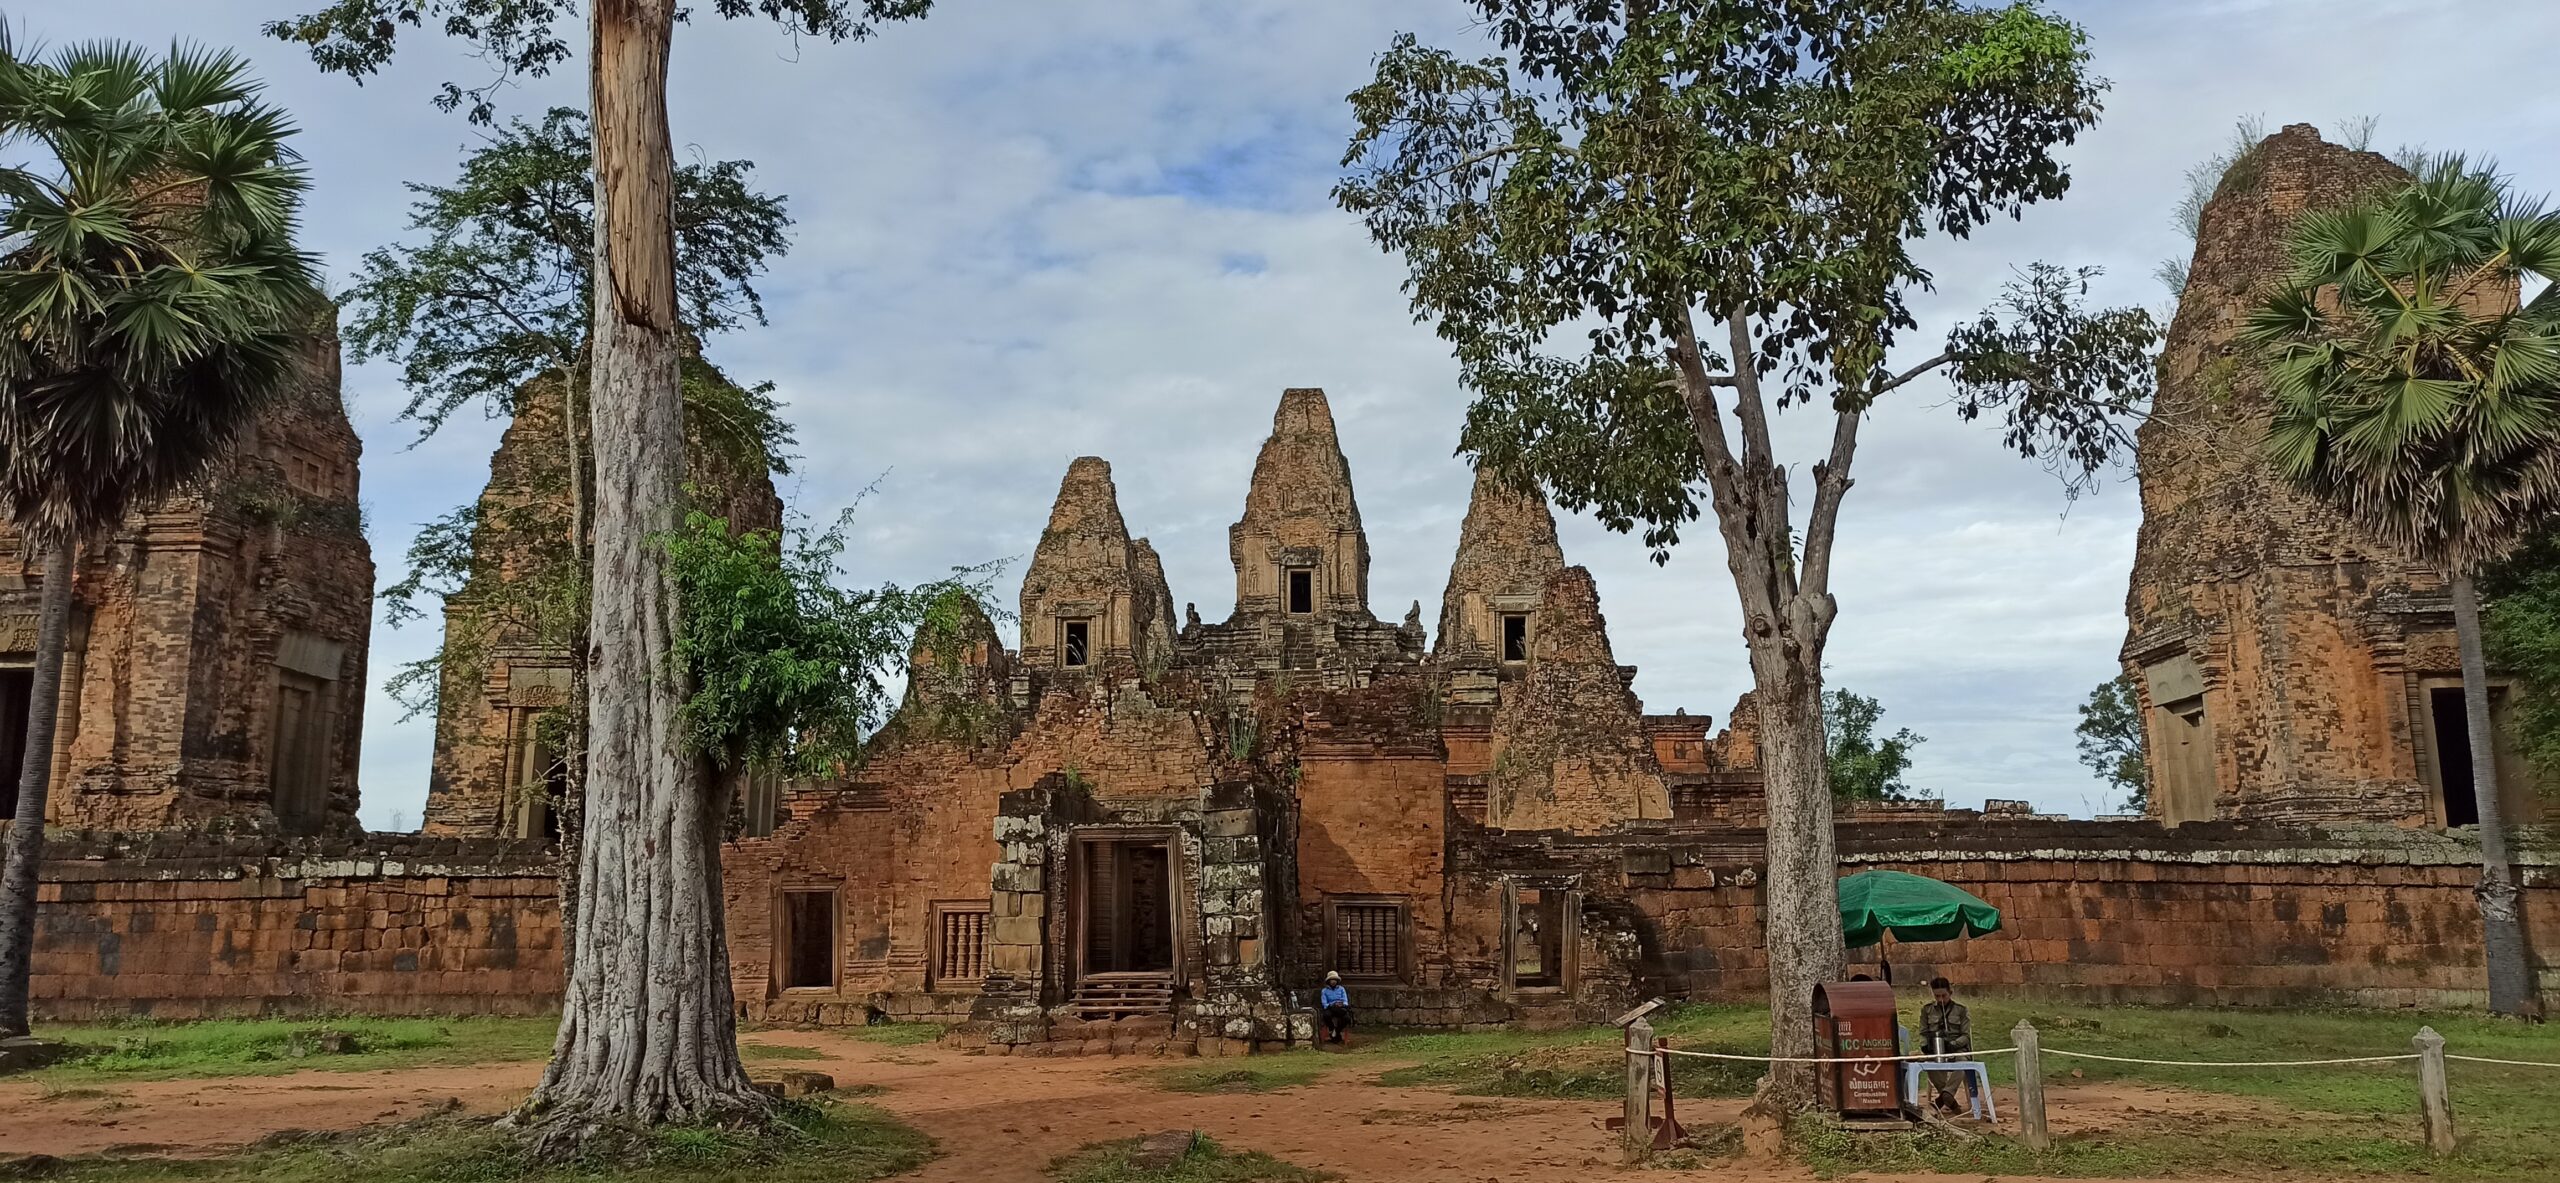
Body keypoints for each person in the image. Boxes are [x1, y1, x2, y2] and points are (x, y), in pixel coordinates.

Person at [1918, 977, 1974, 1115]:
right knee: (1929, 1064)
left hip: (1957, 1050)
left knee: (1963, 1062)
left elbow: (1965, 1036)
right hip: (1936, 1049)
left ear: (1950, 993)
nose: (1941, 999)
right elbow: (1923, 1033)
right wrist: (1925, 1045)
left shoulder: (1961, 1010)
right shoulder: (1927, 1010)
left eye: (1944, 995)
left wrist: (1953, 1045)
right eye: (1937, 996)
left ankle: (1944, 1097)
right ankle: (1948, 1097)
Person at [1319, 971, 1352, 1044]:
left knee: (1347, 1018)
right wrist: (1332, 1004)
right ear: (1328, 981)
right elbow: (1324, 1004)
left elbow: (1345, 1001)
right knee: (1326, 1015)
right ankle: (1332, 1029)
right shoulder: (1324, 991)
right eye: (1332, 980)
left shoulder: (1341, 989)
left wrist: (1342, 1004)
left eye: (1335, 980)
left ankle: (1336, 1031)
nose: (1333, 981)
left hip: (1340, 1008)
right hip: (1330, 1008)